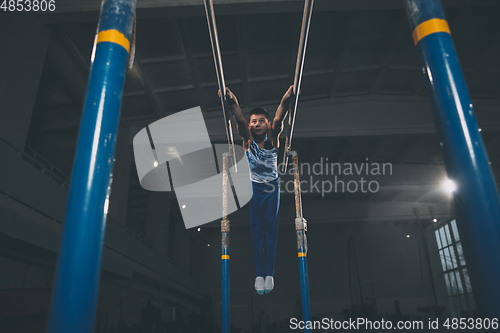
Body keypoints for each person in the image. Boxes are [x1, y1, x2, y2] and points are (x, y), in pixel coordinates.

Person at [219, 85, 294, 294]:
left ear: (267, 124)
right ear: (250, 126)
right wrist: (232, 100)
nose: (257, 124)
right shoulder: (247, 140)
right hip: (253, 189)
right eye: (254, 121)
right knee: (256, 232)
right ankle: (259, 274)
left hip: (271, 189)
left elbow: (279, 118)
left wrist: (287, 98)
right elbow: (239, 120)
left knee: (270, 230)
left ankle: (269, 273)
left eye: (262, 121)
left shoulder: (273, 138)